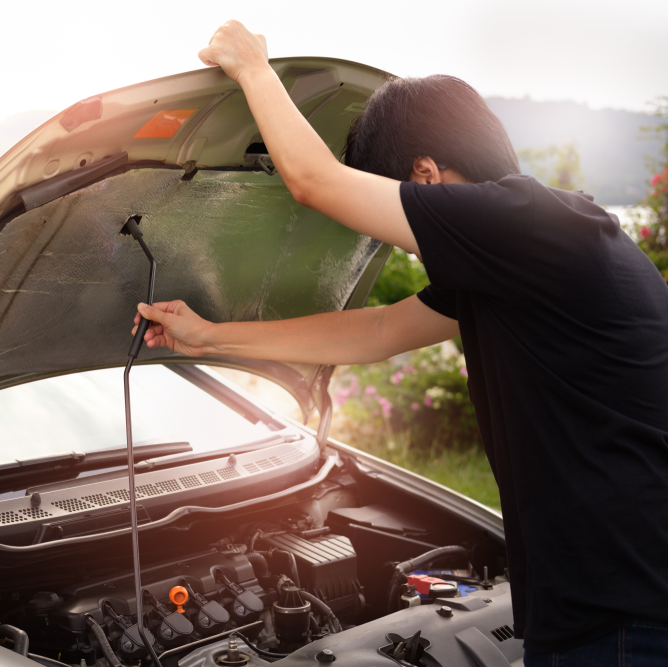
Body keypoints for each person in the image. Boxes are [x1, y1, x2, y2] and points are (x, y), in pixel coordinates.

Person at [132, 20, 668, 665]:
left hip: (624, 610)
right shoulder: (530, 251)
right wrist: (208, 335)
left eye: (396, 205)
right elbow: (381, 330)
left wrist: (252, 68)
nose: (394, 234)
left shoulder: (528, 223)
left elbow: (315, 182)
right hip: (615, 595)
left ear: (425, 174)